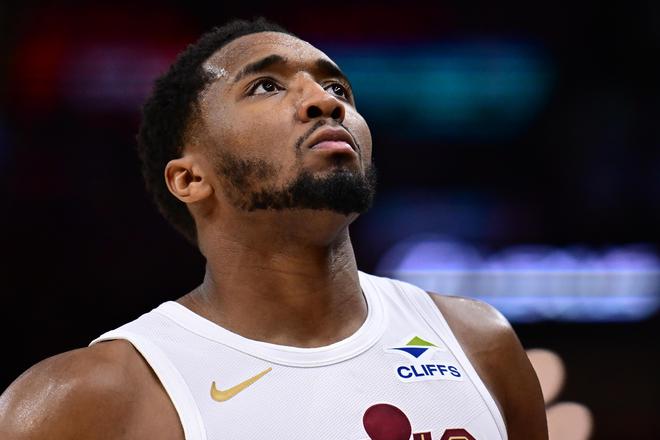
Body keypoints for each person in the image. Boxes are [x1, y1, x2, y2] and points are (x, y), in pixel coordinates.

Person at [0, 18, 547, 440]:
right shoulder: (85, 401)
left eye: (338, 88)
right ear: (190, 178)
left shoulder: (479, 342)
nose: (325, 101)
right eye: (265, 85)